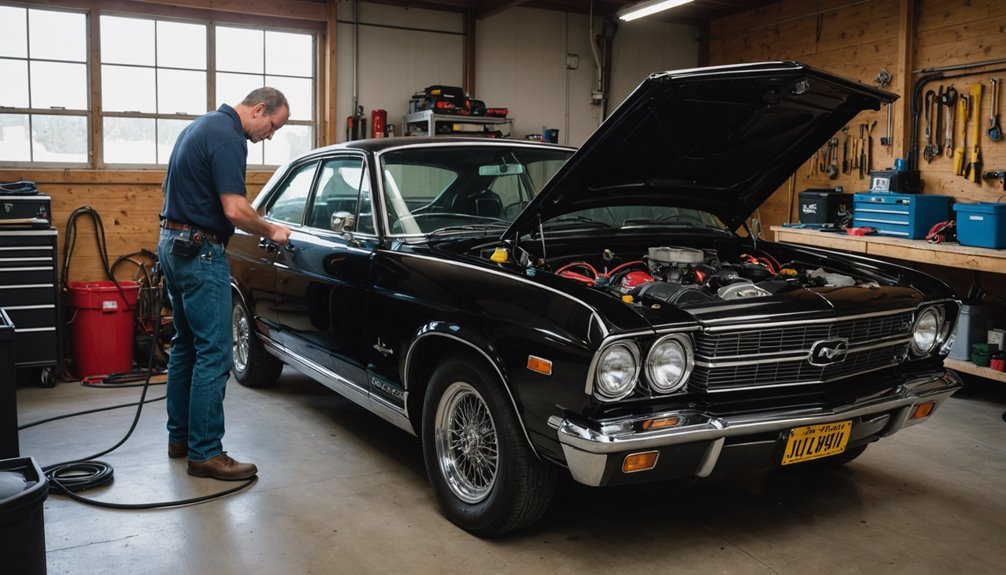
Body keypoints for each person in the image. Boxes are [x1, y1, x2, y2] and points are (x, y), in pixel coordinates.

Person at [158, 87, 292, 480]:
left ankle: (179, 438)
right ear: (259, 109)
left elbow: (170, 192)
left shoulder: (200, 127)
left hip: (172, 242)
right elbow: (234, 210)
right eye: (273, 125)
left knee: (185, 346)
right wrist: (271, 229)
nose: (271, 134)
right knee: (215, 353)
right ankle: (205, 452)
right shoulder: (230, 138)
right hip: (200, 252)